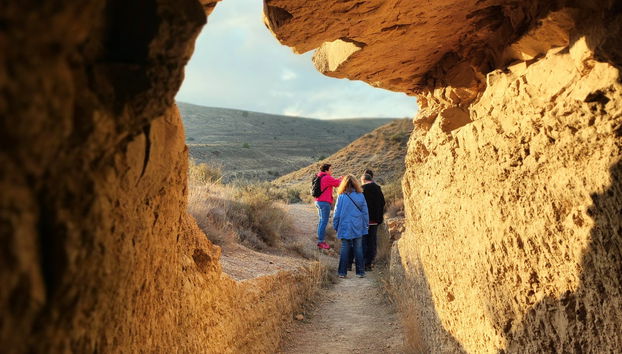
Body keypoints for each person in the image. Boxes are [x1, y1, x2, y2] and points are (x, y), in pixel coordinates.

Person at [333, 174, 369, 278]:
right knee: (358, 248)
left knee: (345, 248)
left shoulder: (341, 196)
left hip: (344, 225)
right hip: (358, 225)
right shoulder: (360, 195)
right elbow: (365, 212)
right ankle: (360, 272)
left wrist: (336, 226)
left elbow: (336, 214)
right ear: (355, 183)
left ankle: (342, 273)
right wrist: (366, 225)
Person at [361, 170, 385, 271]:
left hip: (363, 220)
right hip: (374, 220)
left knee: (363, 241)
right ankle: (369, 263)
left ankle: (363, 262)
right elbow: (383, 202)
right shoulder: (378, 188)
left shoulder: (361, 189)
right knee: (372, 241)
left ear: (363, 180)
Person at [314, 164, 342, 249]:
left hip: (318, 201)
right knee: (324, 222)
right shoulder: (327, 177)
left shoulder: (319, 176)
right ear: (326, 170)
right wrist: (342, 179)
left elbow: (333, 182)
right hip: (325, 202)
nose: (331, 171)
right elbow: (337, 184)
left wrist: (338, 179)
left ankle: (319, 238)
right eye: (330, 169)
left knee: (321, 221)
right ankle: (321, 242)